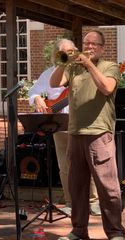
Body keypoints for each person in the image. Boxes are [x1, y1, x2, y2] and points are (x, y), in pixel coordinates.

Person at [50, 30, 125, 240]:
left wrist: (89, 64)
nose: (90, 47)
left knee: (107, 187)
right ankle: (79, 230)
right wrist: (64, 60)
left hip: (99, 133)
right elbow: (55, 83)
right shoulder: (73, 67)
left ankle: (115, 232)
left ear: (102, 48)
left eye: (94, 44)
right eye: (86, 43)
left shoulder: (109, 67)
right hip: (75, 133)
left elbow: (106, 87)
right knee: (77, 187)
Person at [28, 38, 101, 216]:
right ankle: (70, 202)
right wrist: (37, 98)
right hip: (59, 125)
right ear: (57, 55)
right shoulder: (49, 74)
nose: (68, 55)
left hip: (82, 124)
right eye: (64, 53)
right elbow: (33, 92)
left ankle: (93, 201)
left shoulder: (84, 70)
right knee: (65, 166)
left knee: (87, 163)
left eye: (71, 51)